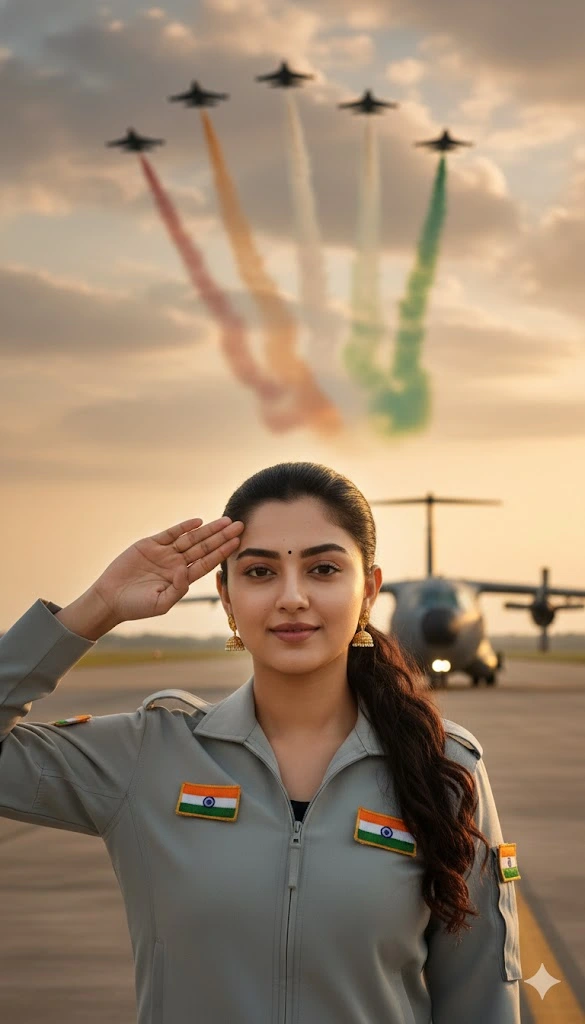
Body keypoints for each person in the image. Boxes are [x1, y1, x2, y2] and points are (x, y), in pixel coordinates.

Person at [0, 461, 522, 1023]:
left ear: (368, 591)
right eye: (259, 573)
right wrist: (94, 608)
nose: (292, 597)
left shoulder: (442, 770)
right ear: (225, 596)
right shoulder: (147, 756)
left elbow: (481, 1000)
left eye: (323, 569)